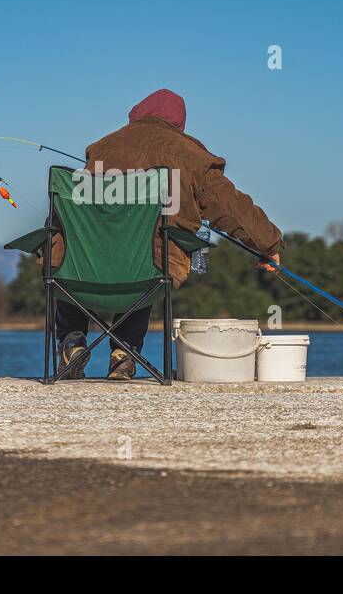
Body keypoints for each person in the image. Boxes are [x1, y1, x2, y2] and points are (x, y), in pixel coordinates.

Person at [51, 88, 282, 380]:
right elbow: (233, 209)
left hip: (80, 271)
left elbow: (72, 217)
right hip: (150, 270)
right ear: (178, 125)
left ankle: (72, 339)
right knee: (147, 253)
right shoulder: (193, 157)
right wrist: (269, 244)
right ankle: (124, 351)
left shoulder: (100, 150)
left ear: (135, 115)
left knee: (73, 249)